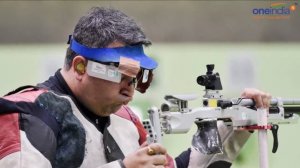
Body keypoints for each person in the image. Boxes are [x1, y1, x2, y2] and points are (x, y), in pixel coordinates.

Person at [0, 7, 271, 168]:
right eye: (123, 73)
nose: (131, 86)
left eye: (138, 75)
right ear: (81, 67)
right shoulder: (28, 114)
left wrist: (237, 125)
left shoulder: (126, 120)